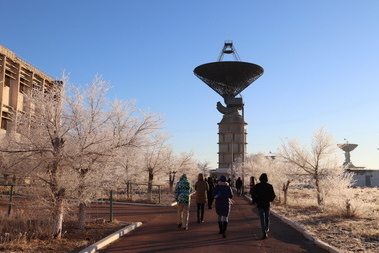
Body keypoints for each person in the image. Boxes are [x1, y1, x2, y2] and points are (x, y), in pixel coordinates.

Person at [252, 173, 276, 239]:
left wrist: (256, 201)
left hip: (260, 204)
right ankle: (267, 229)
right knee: (267, 217)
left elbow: (253, 195)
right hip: (267, 204)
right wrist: (270, 200)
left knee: (262, 218)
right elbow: (273, 195)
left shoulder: (257, 186)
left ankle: (264, 232)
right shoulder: (269, 186)